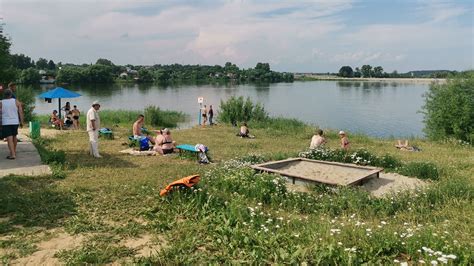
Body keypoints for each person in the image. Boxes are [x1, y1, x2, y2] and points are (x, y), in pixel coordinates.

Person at [1, 89, 24, 159]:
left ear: (4, 95)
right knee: (14, 137)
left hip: (6, 122)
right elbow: (21, 112)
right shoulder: (16, 101)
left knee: (9, 139)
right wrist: (22, 122)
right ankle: (13, 151)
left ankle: (13, 154)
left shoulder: (1, 102)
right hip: (15, 122)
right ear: (11, 94)